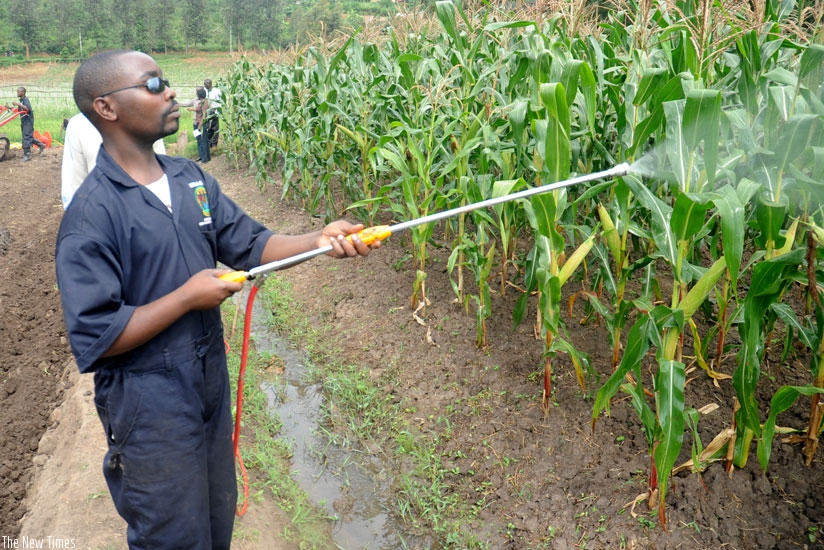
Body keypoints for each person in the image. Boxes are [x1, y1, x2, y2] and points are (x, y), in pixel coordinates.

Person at [55, 49, 378, 549]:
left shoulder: (192, 180)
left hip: (208, 382)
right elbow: (97, 335)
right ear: (107, 108)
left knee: (214, 518)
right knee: (173, 534)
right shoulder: (91, 214)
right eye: (153, 83)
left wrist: (318, 240)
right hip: (148, 403)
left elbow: (253, 245)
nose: (171, 91)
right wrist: (187, 298)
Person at [61, 112, 166, 209]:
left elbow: (160, 177)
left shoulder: (148, 118)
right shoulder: (79, 125)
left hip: (145, 213)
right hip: (100, 215)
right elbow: (73, 185)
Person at [10, 87, 45, 162]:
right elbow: (19, 110)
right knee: (28, 135)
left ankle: (27, 155)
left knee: (26, 137)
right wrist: (10, 108)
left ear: (23, 92)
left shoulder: (25, 100)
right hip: (24, 121)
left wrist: (17, 104)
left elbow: (27, 109)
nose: (17, 93)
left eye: (18, 92)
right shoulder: (22, 101)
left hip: (28, 121)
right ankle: (41, 145)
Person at [192, 86, 210, 164]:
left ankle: (204, 159)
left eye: (197, 93)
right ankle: (202, 156)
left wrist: (199, 126)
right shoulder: (199, 101)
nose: (196, 94)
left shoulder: (204, 102)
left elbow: (204, 115)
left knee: (203, 141)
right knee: (199, 140)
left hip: (201, 124)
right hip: (197, 123)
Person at [204, 78, 221, 149]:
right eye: (204, 84)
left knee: (215, 128)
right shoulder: (204, 90)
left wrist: (218, 110)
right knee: (208, 128)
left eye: (206, 84)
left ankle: (214, 144)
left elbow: (220, 101)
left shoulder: (216, 91)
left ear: (210, 84)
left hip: (214, 111)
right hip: (207, 112)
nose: (205, 85)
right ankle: (208, 143)